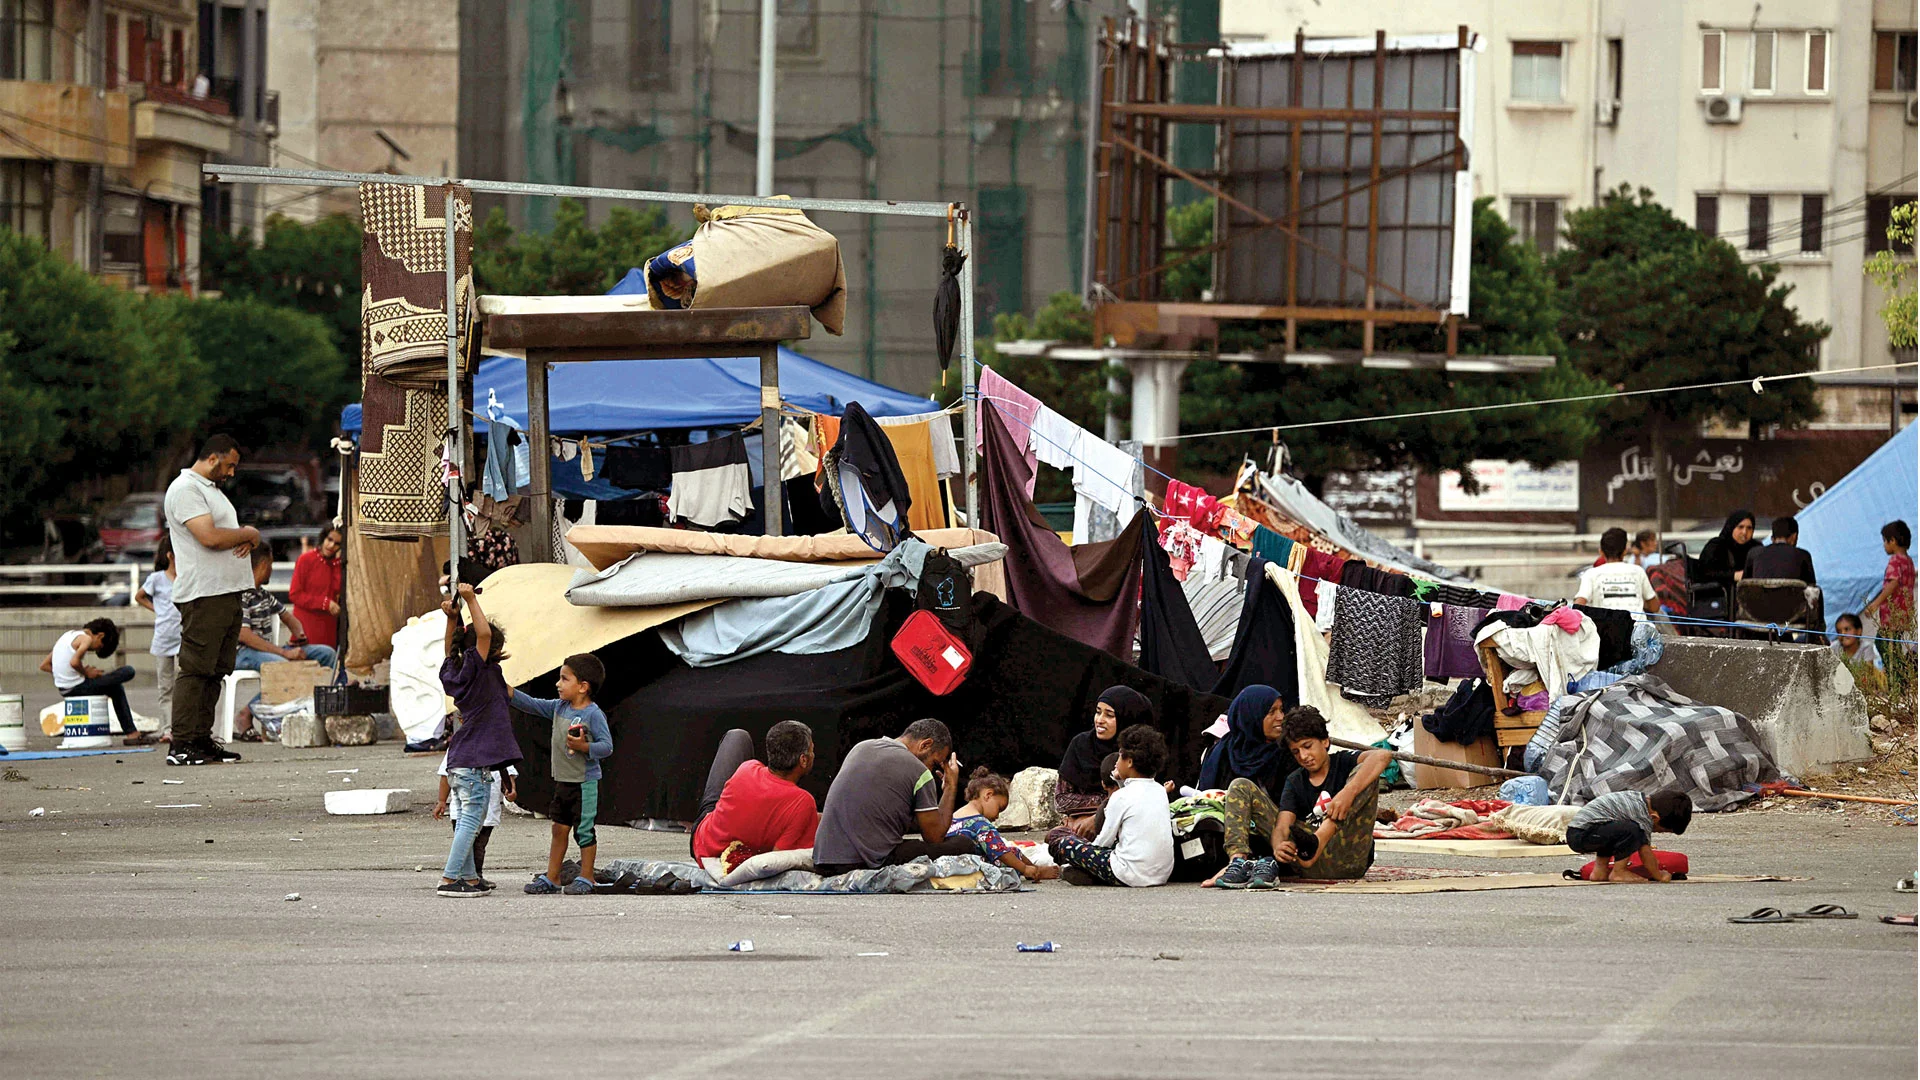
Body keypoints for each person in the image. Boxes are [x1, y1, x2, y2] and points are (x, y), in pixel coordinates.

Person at [1211, 706, 1390, 887]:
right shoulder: (1295, 780)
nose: (1304, 756)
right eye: (1296, 751)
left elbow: (1382, 755)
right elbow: (1282, 826)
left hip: (1347, 857)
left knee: (1363, 775)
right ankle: (1237, 863)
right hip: (1306, 859)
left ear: (1325, 741)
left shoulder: (1344, 762)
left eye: (1307, 746)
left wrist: (1347, 793)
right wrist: (1279, 846)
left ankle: (1318, 841)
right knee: (1241, 786)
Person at [164, 435, 260, 766]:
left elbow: (222, 534)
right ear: (214, 458)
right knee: (196, 668)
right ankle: (182, 742)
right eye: (230, 465)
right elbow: (208, 537)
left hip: (224, 591)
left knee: (215, 670)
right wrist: (248, 533)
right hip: (204, 594)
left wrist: (247, 535)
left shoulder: (210, 491)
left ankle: (201, 739)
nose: (232, 473)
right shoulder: (186, 489)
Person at [433, 584, 523, 898]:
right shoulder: (479, 670)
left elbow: (450, 650)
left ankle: (469, 877)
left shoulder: (456, 671)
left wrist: (451, 620)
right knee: (471, 820)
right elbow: (482, 636)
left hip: (466, 759)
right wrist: (471, 600)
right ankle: (449, 878)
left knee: (474, 815)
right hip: (473, 760)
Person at [812, 718, 971, 876]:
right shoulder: (920, 772)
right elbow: (935, 837)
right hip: (862, 863)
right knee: (963, 844)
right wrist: (950, 787)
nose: (932, 770)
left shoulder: (860, 747)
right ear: (925, 745)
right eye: (935, 763)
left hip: (824, 860)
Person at [515, 653, 612, 894]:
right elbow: (531, 704)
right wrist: (504, 688)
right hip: (563, 783)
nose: (558, 684)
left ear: (583, 687)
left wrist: (584, 747)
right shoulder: (559, 708)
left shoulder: (593, 714)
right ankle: (552, 877)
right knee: (559, 828)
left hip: (584, 784)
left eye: (564, 679)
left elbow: (607, 746)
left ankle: (587, 877)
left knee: (584, 831)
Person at [1045, 724, 1174, 887]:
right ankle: (1088, 874)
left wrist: (1086, 854)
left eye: (1120, 756)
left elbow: (1104, 841)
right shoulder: (1160, 790)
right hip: (1161, 874)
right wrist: (1120, 781)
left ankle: (1084, 871)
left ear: (1129, 762)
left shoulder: (1120, 796)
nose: (1116, 762)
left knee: (1066, 844)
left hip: (1129, 873)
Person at [231, 546, 339, 740]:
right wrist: (284, 652)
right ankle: (253, 714)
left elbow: (287, 616)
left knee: (326, 653)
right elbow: (244, 635)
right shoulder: (241, 594)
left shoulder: (263, 594)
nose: (271, 569)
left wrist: (299, 633)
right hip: (242, 653)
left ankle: (311, 711)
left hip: (267, 651)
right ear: (264, 565)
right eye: (271, 565)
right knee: (282, 666)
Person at [689, 721, 821, 873]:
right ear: (803, 760)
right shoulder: (803, 802)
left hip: (704, 840)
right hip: (712, 851)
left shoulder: (747, 768)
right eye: (812, 750)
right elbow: (778, 860)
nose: (814, 755)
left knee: (737, 736)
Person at [39, 618, 150, 745]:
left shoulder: (66, 637)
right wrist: (87, 673)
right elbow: (74, 662)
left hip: (64, 689)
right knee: (127, 672)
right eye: (99, 647)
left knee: (114, 687)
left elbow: (45, 665)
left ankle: (132, 734)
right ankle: (132, 733)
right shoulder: (86, 638)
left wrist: (67, 674)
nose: (95, 650)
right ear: (100, 635)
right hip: (77, 687)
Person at [1054, 686, 1145, 836]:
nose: (1100, 720)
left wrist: (1098, 817)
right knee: (1054, 836)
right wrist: (1095, 812)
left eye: (1109, 715)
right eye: (1098, 712)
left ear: (1126, 717)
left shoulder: (1138, 751)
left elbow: (1139, 799)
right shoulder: (1081, 744)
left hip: (1126, 826)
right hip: (1079, 825)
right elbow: (1061, 799)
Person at [948, 767, 1059, 882]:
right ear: (988, 795)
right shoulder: (981, 824)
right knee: (1013, 853)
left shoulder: (953, 817)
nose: (997, 816)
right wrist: (1024, 868)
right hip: (976, 867)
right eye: (999, 808)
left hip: (951, 866)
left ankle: (1034, 869)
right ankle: (1034, 871)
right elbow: (1000, 852)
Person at [1565, 789, 1691, 883]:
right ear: (1654, 818)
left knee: (1617, 832)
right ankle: (1619, 872)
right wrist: (1659, 875)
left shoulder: (1638, 800)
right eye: (1659, 830)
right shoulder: (1642, 817)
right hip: (1582, 834)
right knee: (1633, 830)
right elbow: (1645, 853)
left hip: (1583, 831)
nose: (1655, 832)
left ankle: (1599, 872)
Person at [435, 757, 516, 889]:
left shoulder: (487, 744)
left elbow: (506, 769)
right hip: (468, 804)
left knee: (478, 846)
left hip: (487, 811)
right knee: (467, 839)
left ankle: (472, 877)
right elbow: (445, 774)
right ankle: (452, 877)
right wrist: (441, 801)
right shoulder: (468, 743)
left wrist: (510, 789)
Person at [133, 538, 180, 743]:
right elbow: (139, 596)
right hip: (164, 637)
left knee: (186, 684)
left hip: (185, 637)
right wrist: (157, 610)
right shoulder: (157, 579)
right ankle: (168, 728)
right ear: (170, 555)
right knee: (166, 686)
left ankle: (183, 726)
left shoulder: (187, 577)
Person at [1862, 520, 1914, 669]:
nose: (1884, 545)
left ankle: (1897, 680)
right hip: (1904, 613)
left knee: (1885, 646)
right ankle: (1899, 676)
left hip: (1893, 613)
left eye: (1885, 541)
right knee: (1892, 647)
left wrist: (1875, 604)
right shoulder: (1908, 561)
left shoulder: (1896, 560)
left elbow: (1893, 583)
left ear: (1893, 541)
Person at [1575, 528, 1661, 614]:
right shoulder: (1638, 571)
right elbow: (1654, 607)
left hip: (1604, 626)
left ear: (1601, 552)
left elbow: (1578, 606)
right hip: (1637, 625)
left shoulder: (1591, 574)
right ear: (1625, 551)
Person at [288, 526, 346, 649]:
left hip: (328, 628)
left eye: (337, 544)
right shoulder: (306, 559)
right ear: (323, 538)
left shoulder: (337, 564)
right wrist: (324, 603)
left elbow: (337, 588)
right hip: (306, 626)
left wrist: (336, 564)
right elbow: (295, 594)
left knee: (329, 664)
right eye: (329, 540)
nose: (331, 546)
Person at [1695, 509, 1761, 595]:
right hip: (1719, 598)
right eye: (1740, 527)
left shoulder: (1756, 548)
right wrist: (1733, 576)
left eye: (1749, 528)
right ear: (1732, 527)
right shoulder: (1717, 546)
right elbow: (1704, 573)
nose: (1744, 532)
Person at [1743, 515, 1816, 584]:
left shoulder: (1754, 553)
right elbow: (1812, 590)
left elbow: (1744, 587)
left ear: (1772, 539)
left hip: (1760, 597)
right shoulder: (1803, 555)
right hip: (1791, 597)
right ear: (1794, 537)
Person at [1832, 613, 1884, 684]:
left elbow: (1867, 674)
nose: (1843, 634)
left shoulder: (1866, 648)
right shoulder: (1835, 647)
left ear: (1858, 631)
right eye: (1839, 631)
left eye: (1847, 629)